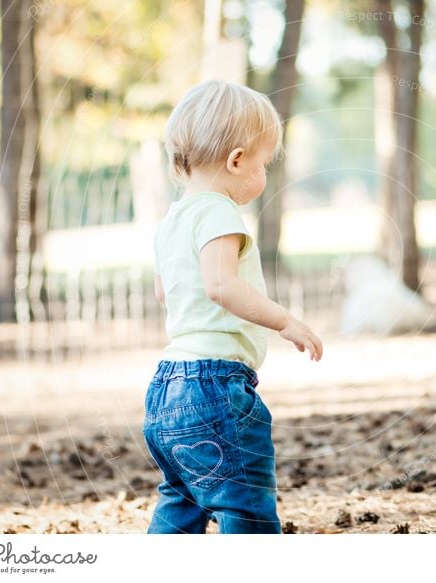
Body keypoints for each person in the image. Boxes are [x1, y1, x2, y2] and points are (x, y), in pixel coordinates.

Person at [143, 80, 323, 534]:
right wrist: (285, 321)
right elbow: (221, 285)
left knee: (181, 503)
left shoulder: (171, 222)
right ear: (237, 160)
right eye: (263, 164)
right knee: (246, 507)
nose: (263, 175)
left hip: (165, 388)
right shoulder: (219, 212)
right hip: (214, 388)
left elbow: (166, 294)